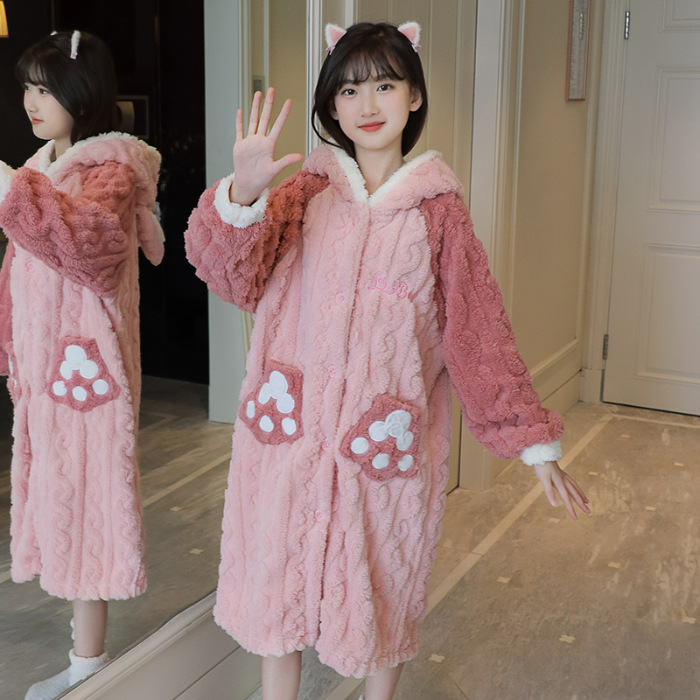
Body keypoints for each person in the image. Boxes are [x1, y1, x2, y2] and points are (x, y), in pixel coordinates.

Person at [185, 21, 590, 700]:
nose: (366, 104)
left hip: (382, 442)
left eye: (384, 84)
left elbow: (477, 331)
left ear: (414, 95)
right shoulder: (304, 195)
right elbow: (234, 277)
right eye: (348, 90)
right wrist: (243, 197)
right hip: (289, 435)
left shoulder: (438, 215)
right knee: (277, 582)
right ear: (332, 105)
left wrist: (533, 443)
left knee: (383, 582)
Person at [0, 30, 164, 700]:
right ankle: (84, 657)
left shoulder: (110, 173)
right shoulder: (40, 168)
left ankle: (87, 663)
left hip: (87, 377)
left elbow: (89, 250)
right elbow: (19, 272)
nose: (31, 102)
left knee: (90, 505)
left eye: (45, 88)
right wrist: (13, 352)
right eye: (27, 89)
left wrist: (12, 190)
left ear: (82, 91)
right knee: (62, 502)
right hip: (46, 375)